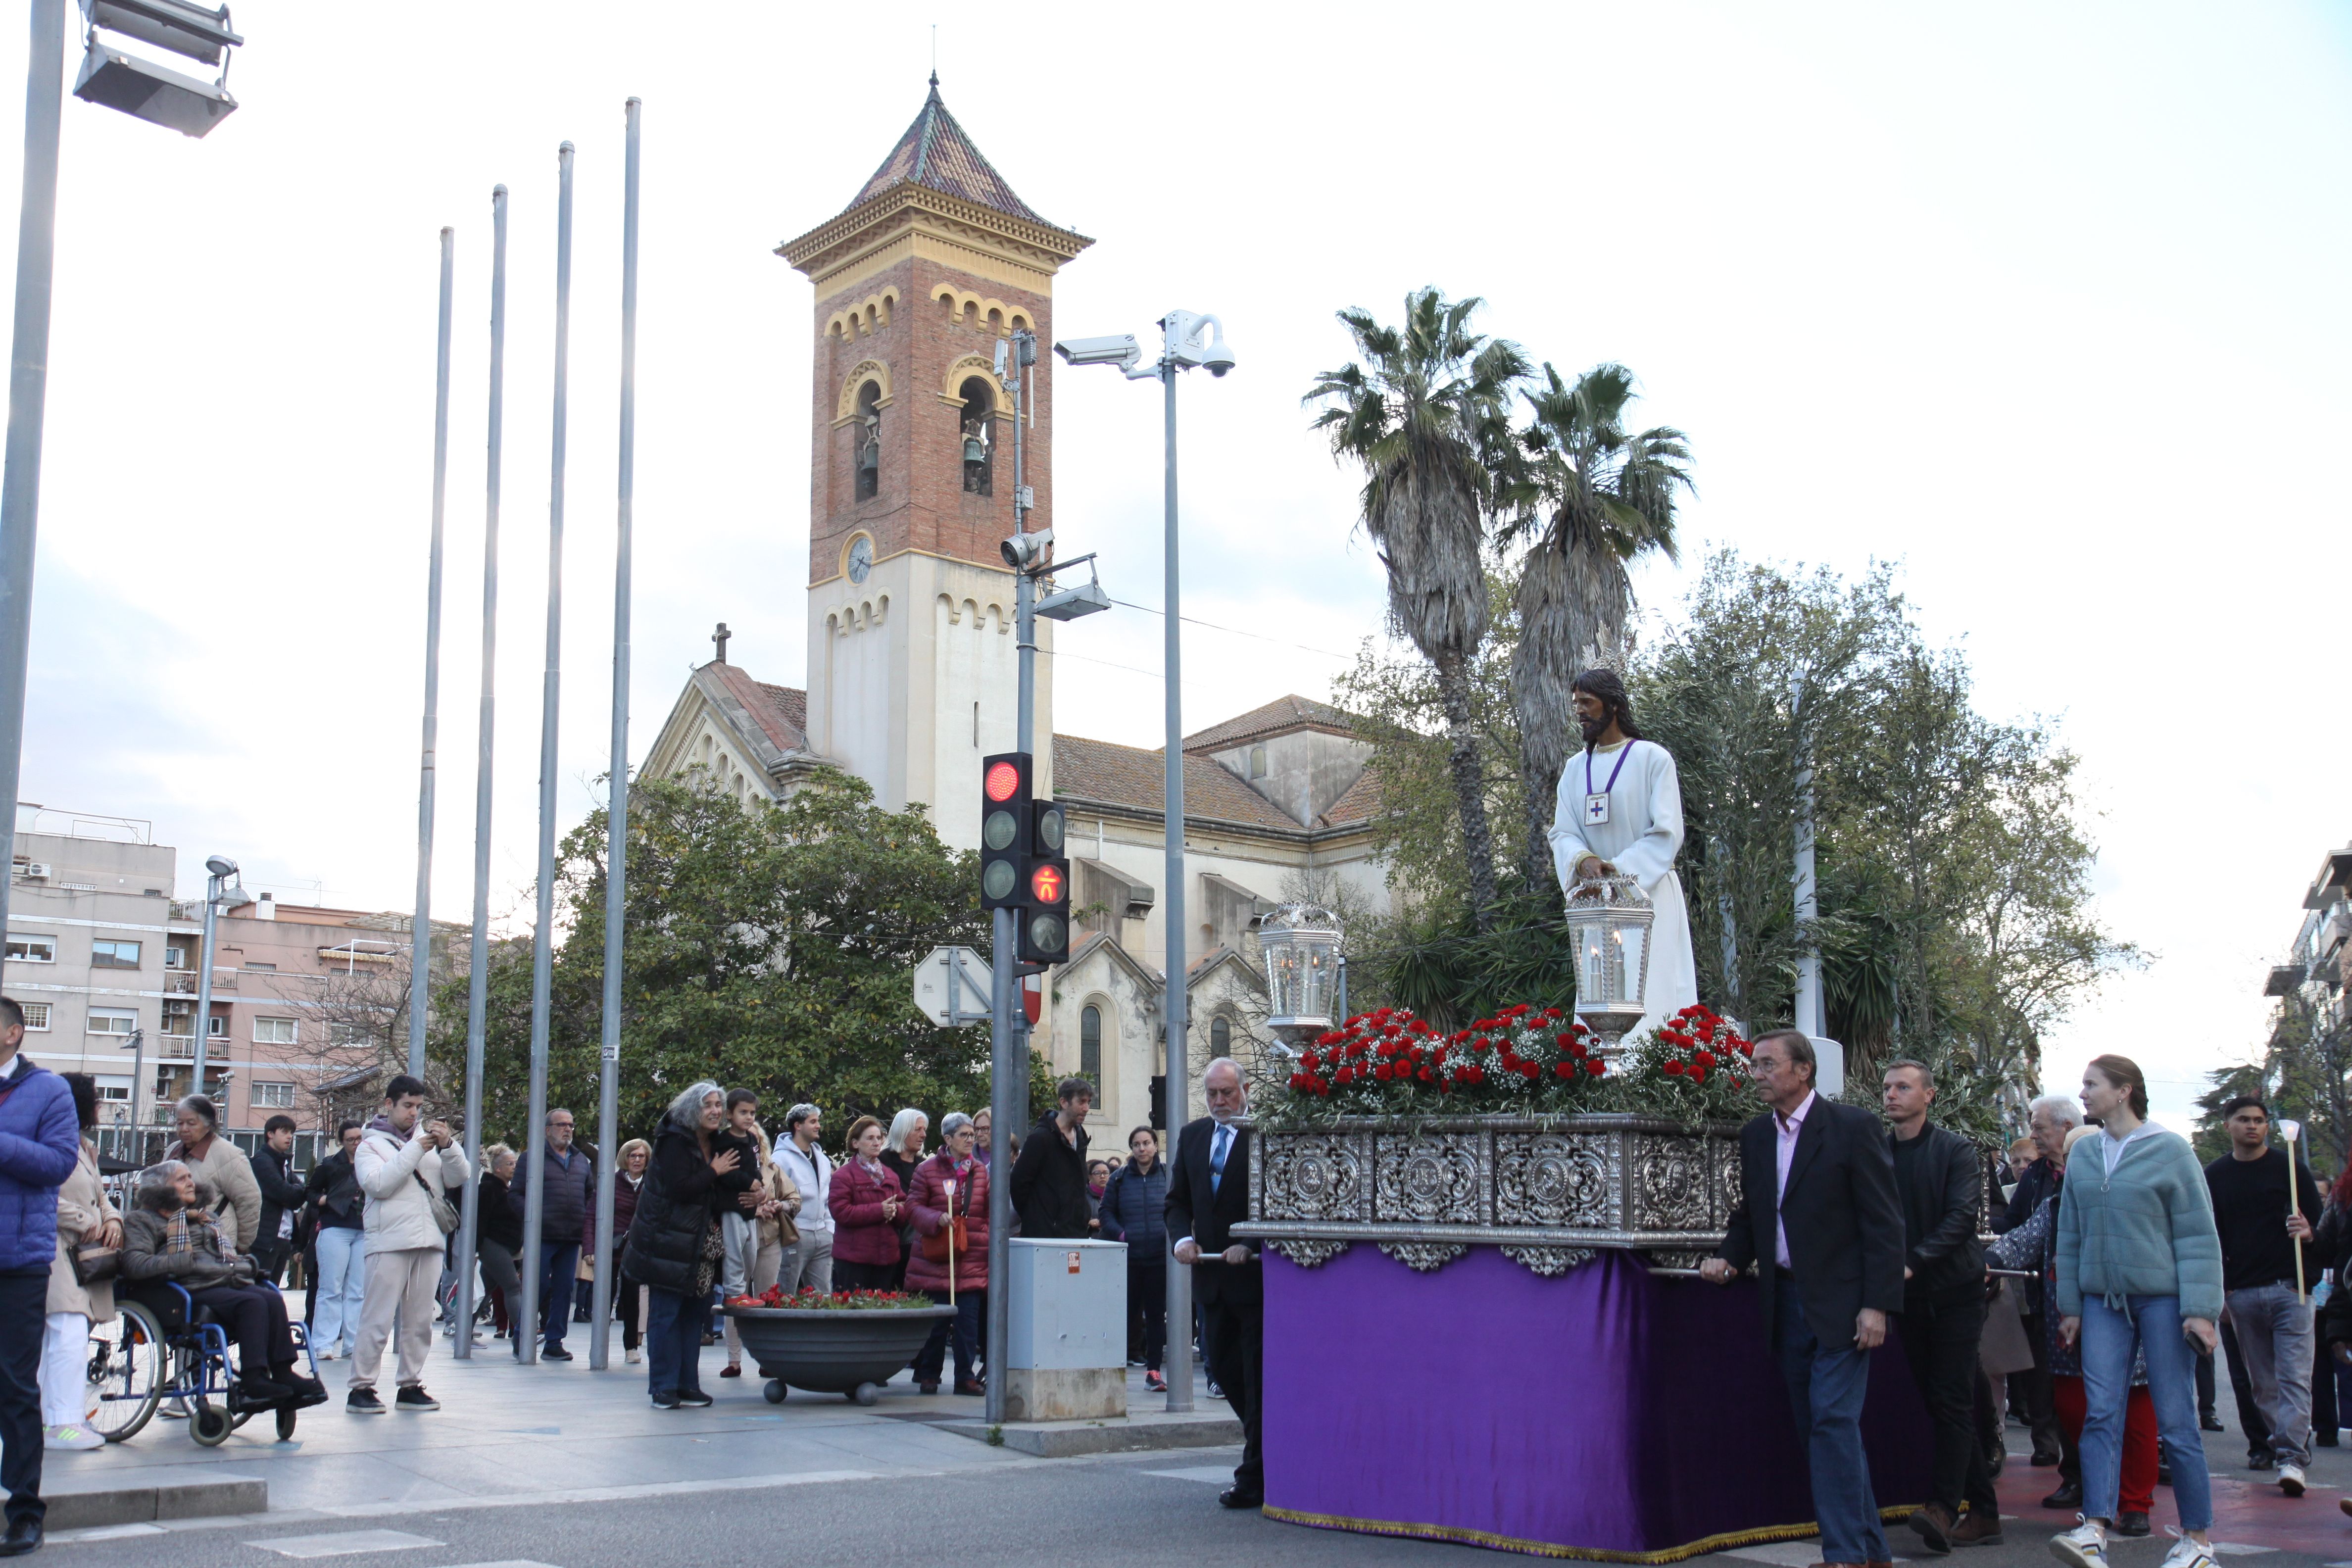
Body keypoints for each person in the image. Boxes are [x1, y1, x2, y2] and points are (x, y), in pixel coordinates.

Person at [1700, 1030, 1904, 1568]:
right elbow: (1753, 1215)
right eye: (1755, 1065)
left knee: (1833, 1423)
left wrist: (1878, 1305)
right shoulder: (1756, 1136)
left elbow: (1884, 1224)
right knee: (1823, 1430)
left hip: (1844, 1307)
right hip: (1786, 1304)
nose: (1757, 1074)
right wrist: (1729, 1258)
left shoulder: (1853, 1128)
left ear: (1803, 1070)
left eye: (1768, 1064)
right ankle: (1871, 1552)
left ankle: (1844, 1556)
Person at [2049, 1054, 2222, 1568]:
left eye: (2091, 1084)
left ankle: (2198, 1541)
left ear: (2124, 1091)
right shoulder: (2084, 1153)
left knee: (2177, 1419)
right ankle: (2094, 1530)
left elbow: (2197, 1235)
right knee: (2101, 1413)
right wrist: (2071, 1306)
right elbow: (2070, 1233)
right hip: (2102, 1301)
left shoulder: (2171, 1150)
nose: (2083, 1093)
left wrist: (2201, 1310)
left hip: (2164, 1300)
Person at [1991, 1124, 2164, 1537]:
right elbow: (2020, 1240)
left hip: (2126, 1324)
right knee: (2075, 1411)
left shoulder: (2136, 1198)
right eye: (2069, 1158)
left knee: (2136, 1418)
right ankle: (2098, 1491)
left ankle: (2135, 1503)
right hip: (2067, 1329)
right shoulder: (2055, 1206)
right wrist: (1987, 1260)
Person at [1880, 1060, 2001, 1552]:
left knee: (1951, 1398)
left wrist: (1913, 1263)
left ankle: (1944, 1509)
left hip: (1955, 1292)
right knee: (1939, 1400)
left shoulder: (1956, 1150)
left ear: (1928, 1095)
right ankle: (1985, 1512)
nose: (1892, 1095)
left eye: (1903, 1087)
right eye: (1887, 1087)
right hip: (1908, 1296)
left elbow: (1960, 1219)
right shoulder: (1879, 1151)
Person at [1545, 668, 1697, 1038]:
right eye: (1576, 703)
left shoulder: (1652, 759)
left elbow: (1666, 832)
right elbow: (1562, 832)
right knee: (1600, 989)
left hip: (1648, 893)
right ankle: (1602, 1065)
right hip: (1596, 902)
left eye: (1587, 702)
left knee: (1653, 988)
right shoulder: (1575, 769)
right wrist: (1583, 860)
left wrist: (1615, 870)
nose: (1579, 711)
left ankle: (1656, 1062)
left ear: (1613, 705)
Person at [121, 1160, 327, 1414]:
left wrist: (246, 1265)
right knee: (252, 1302)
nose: (191, 1182)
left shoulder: (204, 1218)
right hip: (183, 1289)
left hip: (220, 1280)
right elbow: (134, 1264)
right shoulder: (142, 1220)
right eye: (181, 1179)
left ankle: (284, 1373)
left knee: (271, 1298)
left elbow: (222, 1255)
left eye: (190, 1177)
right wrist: (181, 1262)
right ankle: (252, 1380)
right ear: (160, 1188)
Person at [2202, 1094, 2321, 1498]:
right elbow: (2209, 1237)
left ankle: (2291, 1457)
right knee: (2263, 1385)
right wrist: (2220, 1291)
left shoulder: (2292, 1168)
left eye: (2259, 1120)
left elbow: (2321, 1227)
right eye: (2244, 1119)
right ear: (2228, 1126)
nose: (2252, 1126)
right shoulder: (2215, 1176)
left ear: (2268, 1126)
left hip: (2292, 1289)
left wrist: (2308, 1234)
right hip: (2242, 1294)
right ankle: (2288, 1444)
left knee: (2295, 1378)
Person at [1168, 1058, 1263, 1510]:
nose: (1220, 1101)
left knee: (1256, 1377)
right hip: (1211, 1279)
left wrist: (1250, 1242)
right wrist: (1182, 1239)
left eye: (1228, 1092)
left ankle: (1254, 1475)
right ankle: (1266, 1449)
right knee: (1223, 1371)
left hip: (1254, 1280)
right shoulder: (1192, 1136)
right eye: (1212, 1094)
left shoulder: (1264, 1135)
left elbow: (1278, 1202)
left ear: (1245, 1090)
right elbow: (1177, 1202)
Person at [347, 1075, 470, 1415]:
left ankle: (411, 1384)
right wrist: (417, 1149)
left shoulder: (425, 1142)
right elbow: (379, 1185)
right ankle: (361, 1387)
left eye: (418, 1107)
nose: (413, 1113)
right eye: (407, 1106)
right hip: (388, 1242)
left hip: (428, 1239)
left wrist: (449, 1147)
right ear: (389, 1105)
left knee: (420, 1321)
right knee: (377, 1318)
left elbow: (459, 1177)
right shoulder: (370, 1145)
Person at [621, 1081, 732, 1409]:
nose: (715, 1111)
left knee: (694, 1316)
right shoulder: (674, 1141)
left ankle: (688, 1385)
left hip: (700, 1244)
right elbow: (680, 1188)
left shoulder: (716, 1142)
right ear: (691, 1109)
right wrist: (713, 1171)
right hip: (667, 1242)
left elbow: (715, 1193)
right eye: (708, 1105)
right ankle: (663, 1387)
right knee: (665, 1315)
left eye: (718, 1104)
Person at [40, 1073, 118, 1453]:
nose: (100, 1108)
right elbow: (43, 1194)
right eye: (97, 1101)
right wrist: (86, 1221)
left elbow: (100, 1196)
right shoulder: (47, 1140)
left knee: (58, 1335)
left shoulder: (85, 1147)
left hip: (78, 1252)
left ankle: (51, 1417)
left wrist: (114, 1220)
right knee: (68, 1330)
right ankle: (63, 1421)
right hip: (55, 1247)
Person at [2003, 1094, 2079, 1478]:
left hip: (2088, 1297)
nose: (2033, 1135)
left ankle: (2081, 1462)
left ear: (2067, 1128)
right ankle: (2048, 1447)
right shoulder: (2035, 1176)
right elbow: (2017, 1224)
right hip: (2040, 1293)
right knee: (2042, 1375)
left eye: (2038, 1127)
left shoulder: (2091, 1167)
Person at [907, 1111, 988, 1396]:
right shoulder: (926, 1170)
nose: (971, 1139)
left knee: (968, 1324)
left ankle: (965, 1377)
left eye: (972, 1135)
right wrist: (935, 1219)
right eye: (964, 1135)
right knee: (937, 1324)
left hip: (971, 1257)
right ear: (948, 1139)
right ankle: (930, 1374)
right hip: (936, 1259)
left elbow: (989, 1211)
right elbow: (913, 1207)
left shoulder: (980, 1172)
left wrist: (984, 1236)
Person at [719, 1092, 799, 1377]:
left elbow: (794, 1199)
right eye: (744, 1115)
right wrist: (754, 1205)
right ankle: (734, 1359)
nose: (748, 1122)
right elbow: (725, 1186)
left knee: (766, 1298)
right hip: (743, 1228)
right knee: (737, 1293)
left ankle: (767, 1358)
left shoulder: (772, 1169)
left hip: (769, 1238)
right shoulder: (729, 1151)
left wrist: (775, 1203)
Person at [506, 1107, 593, 1362]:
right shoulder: (531, 1157)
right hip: (541, 1236)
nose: (567, 1129)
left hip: (571, 1236)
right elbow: (515, 1195)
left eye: (571, 1125)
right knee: (537, 1287)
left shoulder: (580, 1160)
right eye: (561, 1125)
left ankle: (554, 1342)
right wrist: (535, 1218)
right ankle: (522, 1337)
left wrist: (584, 1217)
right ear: (547, 1130)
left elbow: (590, 1193)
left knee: (565, 1290)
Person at [1099, 1126, 1170, 1392]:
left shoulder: (1168, 1175)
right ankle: (1112, 1371)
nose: (1142, 1149)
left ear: (1155, 1146)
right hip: (1128, 1258)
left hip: (1159, 1259)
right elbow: (1106, 1212)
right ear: (1132, 1148)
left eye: (1147, 1143)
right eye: (1137, 1144)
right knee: (1124, 1314)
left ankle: (1153, 1371)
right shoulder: (1119, 1179)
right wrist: (1122, 1234)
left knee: (1155, 1316)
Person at [164, 1094, 261, 1254]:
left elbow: (250, 1201)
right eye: (180, 1123)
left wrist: (240, 1246)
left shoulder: (229, 1155)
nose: (184, 1129)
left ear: (208, 1124)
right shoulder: (172, 1151)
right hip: (172, 1244)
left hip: (214, 1248)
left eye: (191, 1123)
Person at [303, 1122, 367, 1359]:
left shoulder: (371, 1162)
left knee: (357, 1289)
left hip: (363, 1229)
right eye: (351, 1140)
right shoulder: (330, 1165)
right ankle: (324, 1343)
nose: (356, 1144)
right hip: (335, 1227)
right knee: (331, 1287)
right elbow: (310, 1191)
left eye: (359, 1138)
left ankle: (353, 1343)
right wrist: (323, 1201)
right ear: (342, 1142)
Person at [829, 1116, 906, 1291]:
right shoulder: (844, 1176)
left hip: (886, 1258)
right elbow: (841, 1212)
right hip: (854, 1259)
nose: (877, 1143)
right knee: (852, 1307)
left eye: (879, 1138)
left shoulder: (891, 1175)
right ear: (855, 1143)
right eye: (870, 1138)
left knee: (882, 1308)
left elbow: (905, 1208)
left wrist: (895, 1210)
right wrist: (880, 1210)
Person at [1011, 1078, 1094, 1239]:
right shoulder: (1040, 1138)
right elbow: (1018, 1182)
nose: (1086, 1108)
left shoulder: (1081, 1137)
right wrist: (1037, 1217)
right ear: (1064, 1102)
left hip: (1075, 1232)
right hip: (1045, 1235)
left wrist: (1083, 1214)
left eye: (1089, 1102)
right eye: (1081, 1102)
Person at [772, 1105, 833, 1296]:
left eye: (818, 1121)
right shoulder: (780, 1159)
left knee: (823, 1296)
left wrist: (829, 1230)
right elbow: (775, 1198)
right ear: (798, 1126)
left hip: (822, 1234)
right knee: (785, 1293)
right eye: (813, 1122)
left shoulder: (822, 1159)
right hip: (794, 1234)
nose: (818, 1126)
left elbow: (827, 1198)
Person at [473, 1146, 524, 1342]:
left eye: (516, 1163)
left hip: (506, 1246)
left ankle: (462, 1330)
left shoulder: (509, 1189)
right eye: (510, 1164)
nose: (515, 1167)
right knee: (513, 1287)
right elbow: (480, 1221)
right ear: (498, 1169)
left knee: (485, 1290)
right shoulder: (488, 1189)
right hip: (493, 1244)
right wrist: (475, 1250)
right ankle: (524, 1332)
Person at [248, 1115, 307, 1285]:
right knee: (261, 1288)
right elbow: (284, 1193)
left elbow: (302, 1192)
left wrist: (295, 1192)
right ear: (270, 1134)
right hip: (266, 1238)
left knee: (272, 1290)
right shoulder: (262, 1162)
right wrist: (294, 1192)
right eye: (285, 1132)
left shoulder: (283, 1163)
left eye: (292, 1133)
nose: (290, 1137)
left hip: (284, 1237)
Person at [610, 1138, 650, 1365]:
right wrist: (590, 1249)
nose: (637, 1160)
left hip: (637, 1250)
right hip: (612, 1247)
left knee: (632, 1298)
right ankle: (600, 1344)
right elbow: (593, 1214)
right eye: (632, 1156)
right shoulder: (612, 1182)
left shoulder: (652, 1184)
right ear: (625, 1158)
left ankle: (631, 1348)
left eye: (641, 1156)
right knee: (605, 1296)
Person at [879, 1109, 928, 1289]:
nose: (923, 1134)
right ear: (902, 1131)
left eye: (924, 1129)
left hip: (920, 1246)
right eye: (917, 1129)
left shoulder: (924, 1165)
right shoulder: (883, 1162)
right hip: (891, 1244)